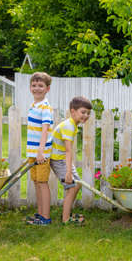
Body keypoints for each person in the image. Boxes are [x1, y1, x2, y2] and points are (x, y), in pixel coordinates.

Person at [50, 96, 92, 224]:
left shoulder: (72, 125)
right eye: (83, 112)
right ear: (73, 111)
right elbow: (68, 151)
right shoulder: (69, 126)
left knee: (77, 184)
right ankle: (66, 219)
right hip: (58, 159)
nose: (86, 116)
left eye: (88, 113)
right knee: (72, 187)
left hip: (62, 158)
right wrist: (68, 172)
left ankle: (67, 214)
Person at [25, 72, 54, 226]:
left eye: (40, 86)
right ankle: (40, 214)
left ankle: (46, 217)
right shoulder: (33, 106)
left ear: (47, 89)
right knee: (36, 181)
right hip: (33, 152)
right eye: (34, 85)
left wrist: (40, 151)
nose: (37, 88)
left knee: (42, 183)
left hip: (41, 153)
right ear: (30, 88)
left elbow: (45, 130)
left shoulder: (45, 108)